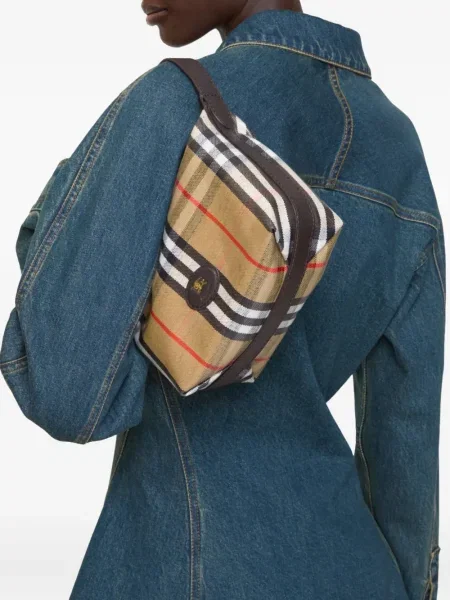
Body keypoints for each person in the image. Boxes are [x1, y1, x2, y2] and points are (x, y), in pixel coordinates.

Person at [0, 1, 445, 599]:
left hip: (184, 568)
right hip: (356, 569)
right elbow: (405, 434)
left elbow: (66, 396)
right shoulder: (397, 141)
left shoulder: (172, 105)